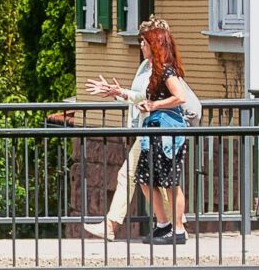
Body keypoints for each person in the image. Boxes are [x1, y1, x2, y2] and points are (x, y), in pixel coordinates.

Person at [129, 18, 199, 245]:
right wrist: (147, 104)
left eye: (145, 43)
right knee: (145, 178)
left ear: (155, 45)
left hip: (168, 132)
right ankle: (163, 223)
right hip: (155, 130)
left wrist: (154, 105)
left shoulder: (167, 70)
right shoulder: (155, 70)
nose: (142, 46)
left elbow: (180, 97)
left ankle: (177, 230)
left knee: (170, 182)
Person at [81, 55, 152, 240]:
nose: (142, 45)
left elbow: (150, 97)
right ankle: (176, 224)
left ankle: (175, 224)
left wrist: (121, 92)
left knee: (147, 180)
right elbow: (137, 98)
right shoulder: (145, 65)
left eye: (145, 41)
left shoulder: (161, 67)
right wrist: (118, 93)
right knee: (140, 178)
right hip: (145, 129)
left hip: (156, 129)